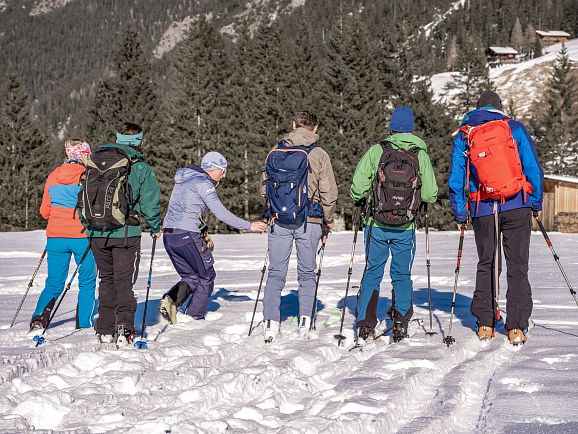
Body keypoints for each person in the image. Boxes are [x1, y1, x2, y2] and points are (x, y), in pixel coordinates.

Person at [449, 90, 543, 346]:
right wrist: (535, 203)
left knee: (488, 263)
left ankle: (486, 324)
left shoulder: (465, 135)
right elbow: (532, 167)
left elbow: (457, 178)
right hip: (516, 205)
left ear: (477, 109)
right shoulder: (514, 128)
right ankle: (516, 327)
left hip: (482, 208)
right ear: (500, 108)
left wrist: (460, 211)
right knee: (517, 266)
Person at [351, 105, 438, 343]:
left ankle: (366, 324)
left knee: (372, 271)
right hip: (405, 226)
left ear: (391, 127)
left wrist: (360, 200)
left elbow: (357, 186)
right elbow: (431, 194)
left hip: (376, 224)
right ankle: (400, 321)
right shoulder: (420, 155)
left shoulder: (378, 151)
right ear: (411, 128)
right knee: (402, 274)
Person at [160, 151, 267, 323]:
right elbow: (221, 213)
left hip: (170, 236)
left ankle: (171, 302)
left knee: (191, 277)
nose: (223, 176)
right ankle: (194, 318)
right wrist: (249, 226)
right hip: (187, 236)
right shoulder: (203, 182)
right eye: (222, 171)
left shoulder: (185, 179)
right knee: (207, 277)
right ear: (211, 169)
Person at [261, 111, 338, 342]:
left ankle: (270, 324)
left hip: (278, 221)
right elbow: (329, 192)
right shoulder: (319, 154)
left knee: (275, 273)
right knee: (306, 273)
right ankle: (305, 322)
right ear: (315, 129)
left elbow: (264, 189)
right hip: (310, 221)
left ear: (293, 125)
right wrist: (329, 220)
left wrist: (274, 210)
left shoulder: (274, 152)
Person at [87, 122, 162, 345]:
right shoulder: (140, 168)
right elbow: (151, 203)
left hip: (97, 232)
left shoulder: (95, 163)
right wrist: (155, 227)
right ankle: (125, 328)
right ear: (138, 141)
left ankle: (105, 329)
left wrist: (88, 224)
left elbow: (82, 198)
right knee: (123, 281)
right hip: (126, 233)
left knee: (106, 279)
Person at [30, 139, 97, 332]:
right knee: (87, 282)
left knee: (54, 282)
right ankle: (84, 323)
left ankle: (39, 318)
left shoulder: (53, 176)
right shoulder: (88, 176)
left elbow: (45, 211)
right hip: (82, 237)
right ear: (84, 154)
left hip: (56, 236)